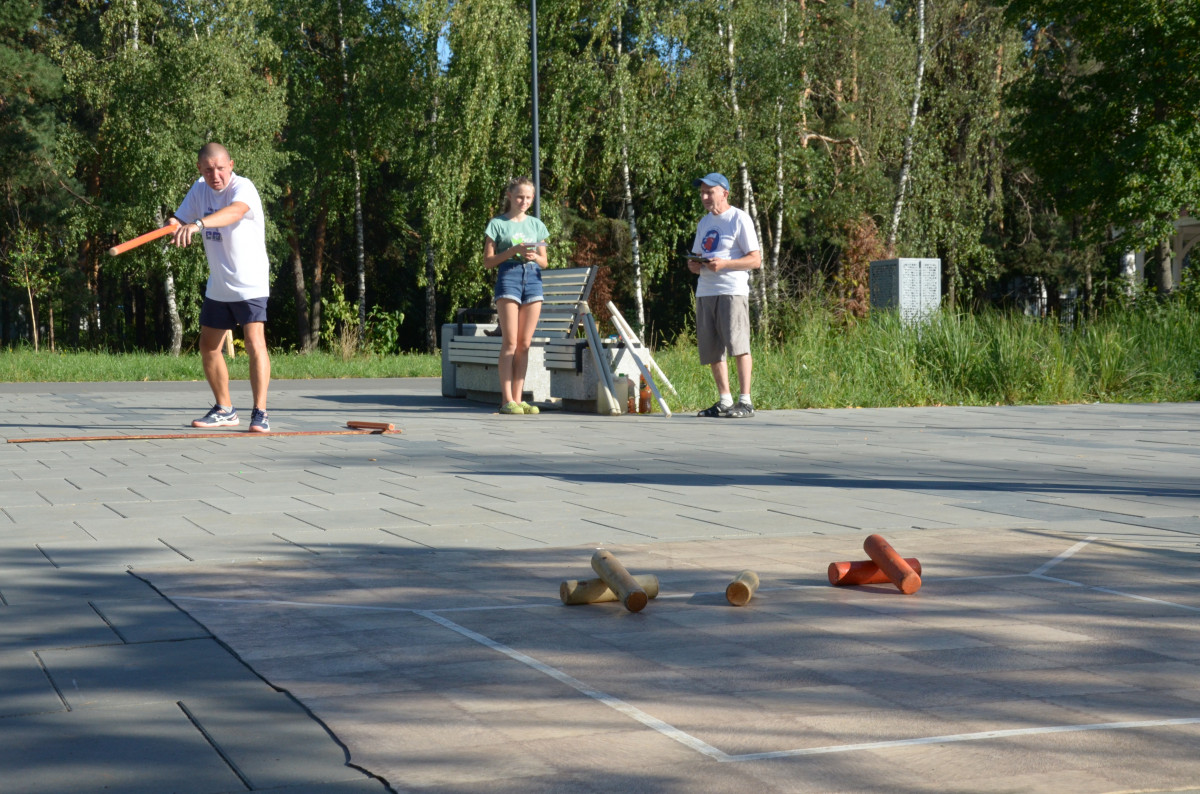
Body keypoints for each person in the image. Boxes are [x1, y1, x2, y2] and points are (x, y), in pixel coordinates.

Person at [171, 143, 272, 433]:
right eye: (208, 169)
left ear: (231, 164)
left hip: (249, 281)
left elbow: (235, 213)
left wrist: (198, 224)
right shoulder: (199, 189)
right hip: (219, 283)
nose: (215, 175)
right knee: (208, 346)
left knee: (254, 343)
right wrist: (173, 224)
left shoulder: (244, 188)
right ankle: (225, 409)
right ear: (200, 169)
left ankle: (260, 413)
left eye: (220, 168)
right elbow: (180, 218)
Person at [687, 172, 761, 418]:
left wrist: (725, 264)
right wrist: (694, 265)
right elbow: (697, 254)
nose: (705, 197)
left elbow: (755, 259)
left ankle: (746, 401)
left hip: (732, 290)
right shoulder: (704, 223)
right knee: (712, 348)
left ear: (725, 193)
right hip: (706, 290)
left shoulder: (739, 219)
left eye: (710, 192)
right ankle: (725, 400)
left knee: (738, 345)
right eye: (702, 193)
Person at [483, 177, 549, 415]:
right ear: (510, 196)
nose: (524, 201)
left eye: (529, 198)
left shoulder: (536, 225)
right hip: (508, 278)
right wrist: (512, 251)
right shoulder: (497, 224)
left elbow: (544, 261)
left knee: (524, 344)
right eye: (520, 197)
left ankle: (519, 400)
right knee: (510, 342)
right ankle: (506, 400)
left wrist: (533, 257)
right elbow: (487, 262)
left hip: (532, 280)